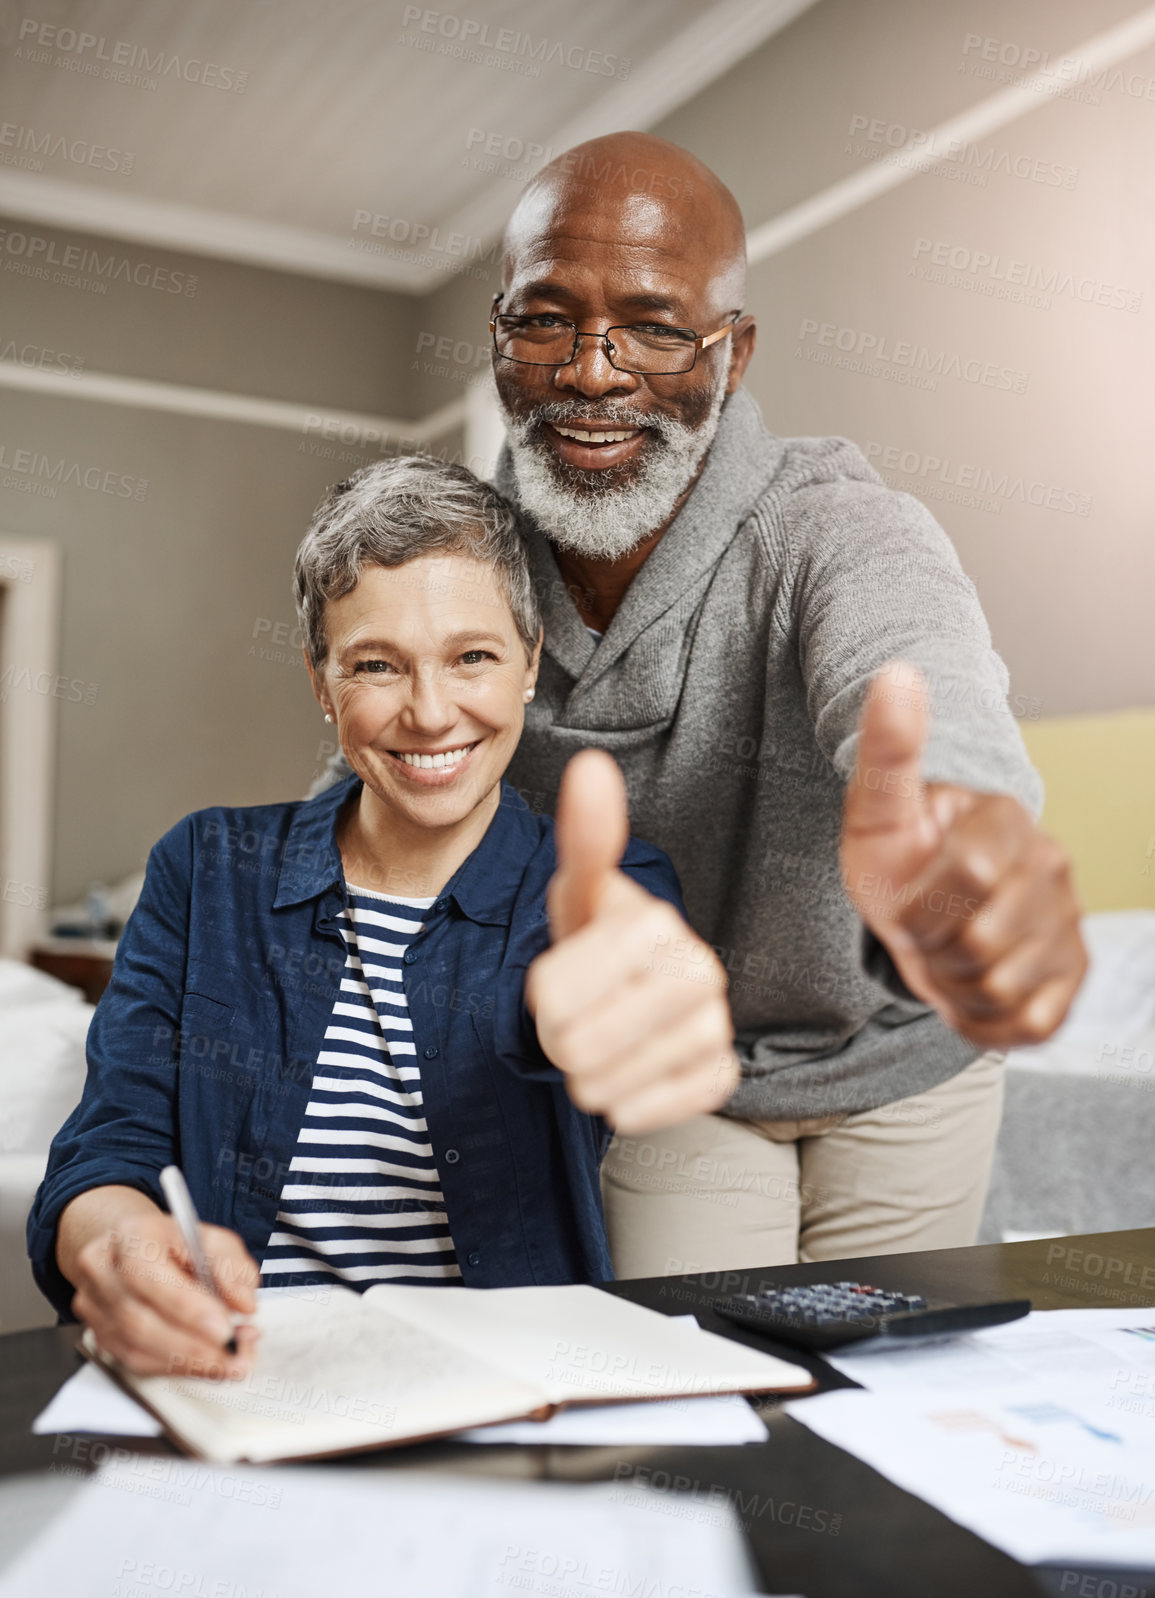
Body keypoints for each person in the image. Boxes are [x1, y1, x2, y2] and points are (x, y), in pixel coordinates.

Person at [480, 130, 1088, 1277]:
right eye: (546, 317)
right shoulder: (465, 561)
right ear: (499, 331)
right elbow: (370, 805)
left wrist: (964, 837)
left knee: (885, 1384)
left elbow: (919, 678)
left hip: (905, 1048)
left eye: (657, 327)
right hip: (683, 1069)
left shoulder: (834, 527)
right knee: (703, 1371)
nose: (594, 373)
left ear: (734, 353)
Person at [26, 457, 735, 1378]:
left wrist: (618, 1011)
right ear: (323, 684)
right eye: (375, 665)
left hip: (498, 1391)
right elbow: (110, 1142)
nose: (430, 713)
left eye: (472, 656)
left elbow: (614, 987)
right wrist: (114, 1240)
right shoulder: (204, 868)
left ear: (529, 662)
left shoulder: (606, 882)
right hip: (234, 1378)